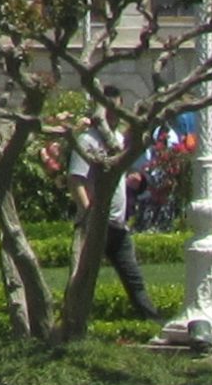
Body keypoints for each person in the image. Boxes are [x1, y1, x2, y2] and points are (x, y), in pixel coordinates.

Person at [67, 117, 162, 323]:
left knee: (133, 277)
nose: (114, 117)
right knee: (83, 279)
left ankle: (152, 322)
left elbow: (118, 177)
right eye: (109, 111)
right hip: (95, 224)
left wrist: (133, 181)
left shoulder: (116, 139)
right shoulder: (86, 141)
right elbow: (76, 179)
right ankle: (71, 324)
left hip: (117, 225)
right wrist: (88, 213)